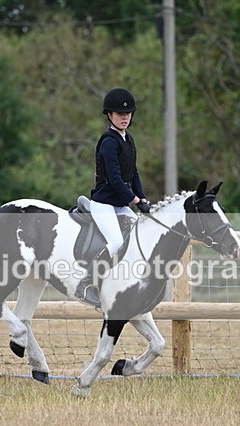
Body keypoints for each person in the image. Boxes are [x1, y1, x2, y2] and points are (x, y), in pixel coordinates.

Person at [76, 87, 151, 308]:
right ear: (110, 115)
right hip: (104, 203)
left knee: (140, 236)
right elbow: (116, 180)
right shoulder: (109, 142)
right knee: (117, 243)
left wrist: (143, 197)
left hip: (119, 203)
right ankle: (87, 284)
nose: (124, 117)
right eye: (120, 114)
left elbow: (133, 173)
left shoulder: (128, 140)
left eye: (127, 114)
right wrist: (136, 201)